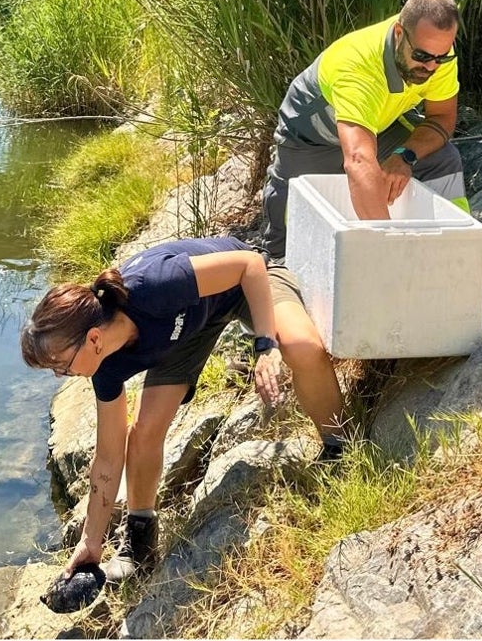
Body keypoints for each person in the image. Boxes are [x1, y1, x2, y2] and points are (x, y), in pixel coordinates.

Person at [20, 237, 345, 583]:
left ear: (94, 339)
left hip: (247, 284)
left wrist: (265, 344)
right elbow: (109, 457)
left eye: (62, 365)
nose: (60, 375)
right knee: (145, 432)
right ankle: (140, 544)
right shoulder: (106, 368)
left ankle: (339, 449)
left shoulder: (153, 286)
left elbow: (248, 265)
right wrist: (91, 541)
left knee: (300, 345)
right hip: (185, 331)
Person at [261, 0, 469, 264]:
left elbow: (441, 118)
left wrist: (404, 156)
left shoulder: (437, 53)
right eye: (421, 55)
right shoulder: (358, 66)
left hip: (377, 124)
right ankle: (274, 261)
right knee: (288, 228)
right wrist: (391, 254)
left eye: (441, 57)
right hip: (311, 137)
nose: (431, 67)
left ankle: (456, 256)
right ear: (399, 34)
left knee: (442, 159)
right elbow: (358, 160)